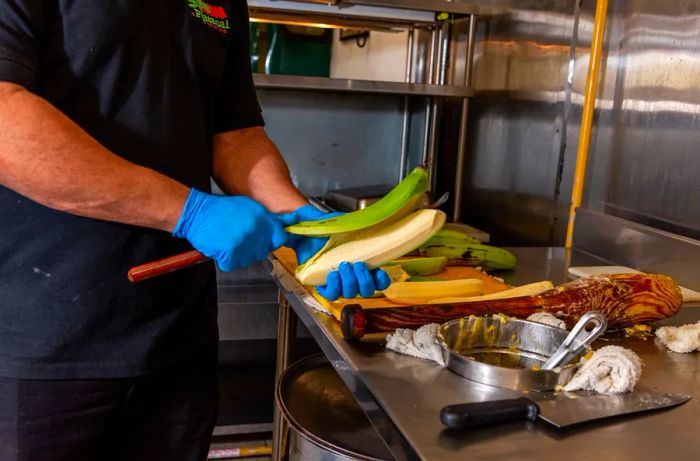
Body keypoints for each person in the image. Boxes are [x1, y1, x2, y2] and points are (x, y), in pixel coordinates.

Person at [0, 1, 388, 460]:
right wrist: (190, 211)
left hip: (180, 345)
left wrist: (301, 221)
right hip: (42, 345)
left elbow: (235, 135)